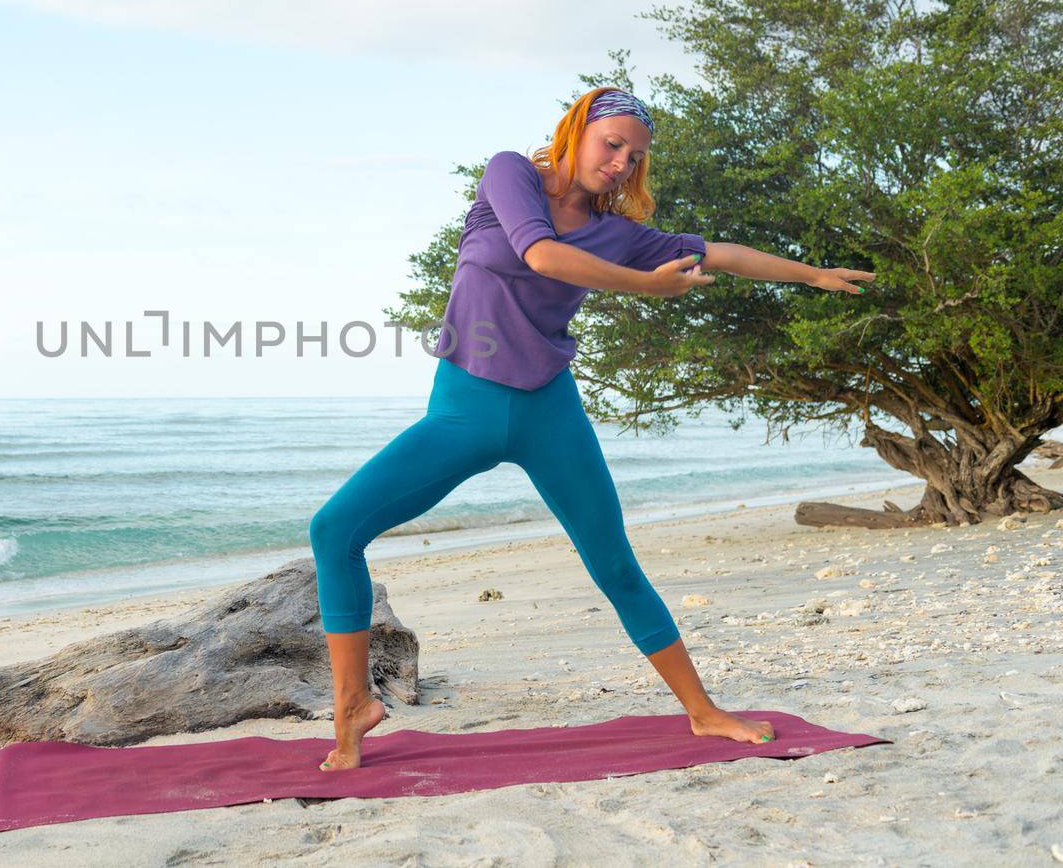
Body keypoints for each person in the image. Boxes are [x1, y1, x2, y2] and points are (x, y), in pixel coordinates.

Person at [307, 86, 875, 772]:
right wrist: (647, 287)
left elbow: (719, 253)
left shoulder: (622, 235)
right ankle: (351, 709)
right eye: (613, 145)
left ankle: (703, 712)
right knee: (335, 531)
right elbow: (541, 254)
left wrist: (812, 275)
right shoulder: (508, 173)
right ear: (576, 130)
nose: (621, 164)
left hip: (550, 411)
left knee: (613, 563)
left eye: (635, 158)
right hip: (466, 407)